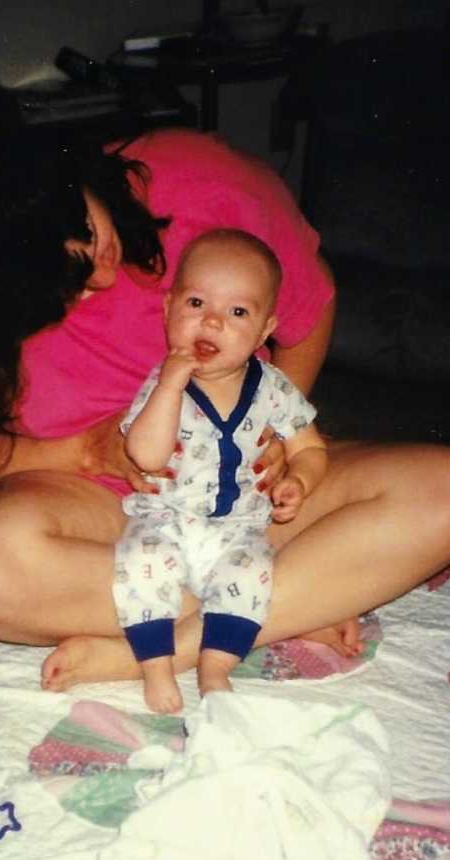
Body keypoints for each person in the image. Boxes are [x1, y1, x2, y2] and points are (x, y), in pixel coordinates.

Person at [0, 118, 450, 694]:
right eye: (61, 289)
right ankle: (289, 599)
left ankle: (171, 646)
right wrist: (84, 449)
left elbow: (310, 305)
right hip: (92, 503)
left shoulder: (200, 178)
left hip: (247, 495)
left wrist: (278, 432)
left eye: (89, 234)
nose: (104, 277)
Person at [115, 229, 327, 713]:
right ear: (169, 308)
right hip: (166, 516)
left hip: (238, 525)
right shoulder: (164, 380)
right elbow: (145, 455)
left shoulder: (272, 388)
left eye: (237, 312)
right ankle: (155, 666)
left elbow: (311, 449)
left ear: (265, 329)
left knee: (252, 574)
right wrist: (169, 387)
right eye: (196, 302)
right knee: (139, 565)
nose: (212, 321)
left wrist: (300, 479)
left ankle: (215, 667)